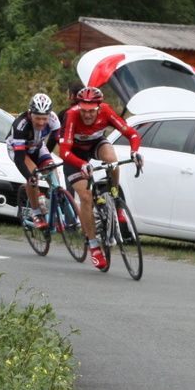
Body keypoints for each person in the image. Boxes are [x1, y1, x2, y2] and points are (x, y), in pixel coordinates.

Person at [58, 85, 143, 272]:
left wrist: (135, 151)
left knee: (112, 160)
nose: (87, 115)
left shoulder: (106, 111)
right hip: (74, 154)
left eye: (91, 111)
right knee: (86, 197)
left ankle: (114, 196)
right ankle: (94, 246)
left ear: (99, 107)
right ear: (78, 106)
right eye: (84, 110)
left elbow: (132, 133)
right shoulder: (72, 115)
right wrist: (81, 164)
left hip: (95, 144)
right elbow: (64, 151)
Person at [9, 92, 62, 228]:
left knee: (53, 173)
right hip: (20, 151)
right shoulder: (20, 125)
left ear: (49, 115)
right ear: (30, 113)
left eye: (44, 119)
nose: (41, 122)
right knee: (33, 176)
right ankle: (36, 213)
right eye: (37, 118)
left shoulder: (54, 120)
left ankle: (56, 209)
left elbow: (54, 142)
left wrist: (47, 164)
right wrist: (30, 177)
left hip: (38, 146)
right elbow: (20, 160)